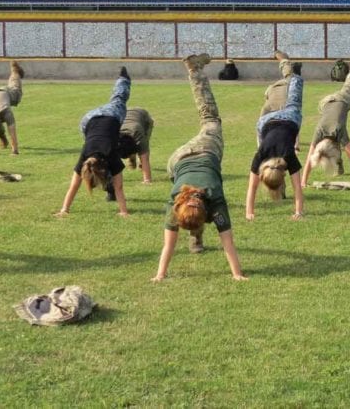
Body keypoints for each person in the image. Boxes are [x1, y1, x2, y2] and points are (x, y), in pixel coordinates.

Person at [152, 54, 247, 282]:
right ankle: (195, 71)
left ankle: (195, 241)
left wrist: (161, 275)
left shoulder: (183, 199)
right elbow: (228, 242)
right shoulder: (202, 198)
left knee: (209, 117)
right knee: (209, 117)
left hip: (191, 154)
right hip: (187, 156)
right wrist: (236, 275)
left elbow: (169, 245)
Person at [54, 69, 132, 217]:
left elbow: (74, 185)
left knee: (119, 99)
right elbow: (119, 187)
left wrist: (124, 211)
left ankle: (123, 78)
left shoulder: (105, 155)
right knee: (118, 99)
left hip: (102, 117)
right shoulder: (87, 159)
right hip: (89, 121)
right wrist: (123, 211)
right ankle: (123, 78)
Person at [246, 51, 305, 220]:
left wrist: (250, 213)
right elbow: (297, 189)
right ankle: (283, 70)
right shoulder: (267, 155)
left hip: (278, 119)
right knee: (290, 81)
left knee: (293, 81)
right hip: (266, 122)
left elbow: (297, 188)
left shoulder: (284, 154)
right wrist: (298, 213)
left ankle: (287, 67)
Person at [301, 62, 350, 185]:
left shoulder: (337, 129)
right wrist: (303, 182)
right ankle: (339, 166)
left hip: (341, 99)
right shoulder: (320, 130)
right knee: (336, 143)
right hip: (325, 104)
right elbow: (311, 157)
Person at [117, 108, 154, 185]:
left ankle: (139, 164)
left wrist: (147, 180)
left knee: (143, 146)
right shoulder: (114, 134)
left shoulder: (138, 134)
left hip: (143, 117)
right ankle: (132, 159)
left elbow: (145, 158)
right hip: (124, 114)